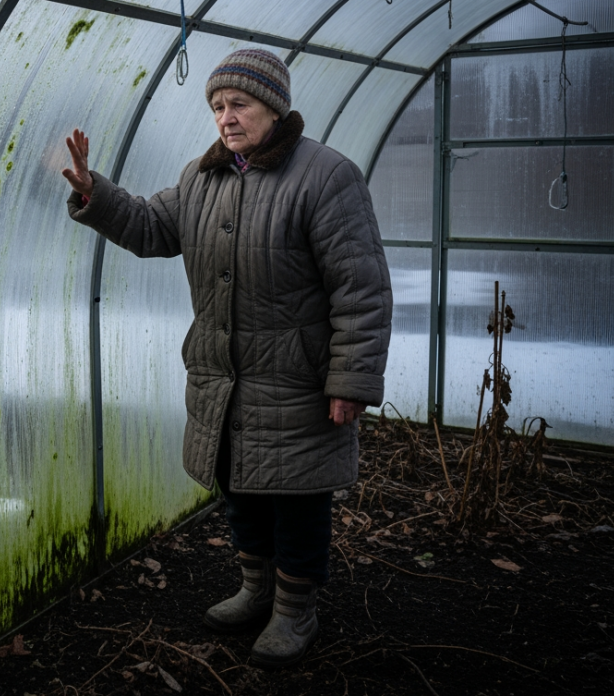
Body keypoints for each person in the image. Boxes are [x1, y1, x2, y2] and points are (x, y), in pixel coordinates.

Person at [62, 48, 391, 668]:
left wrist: (351, 378)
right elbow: (148, 227)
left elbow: (361, 286)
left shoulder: (326, 177)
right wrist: (93, 194)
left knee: (297, 499)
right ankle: (254, 589)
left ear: (273, 107)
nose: (226, 117)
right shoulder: (202, 177)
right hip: (224, 377)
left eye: (238, 103)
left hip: (297, 378)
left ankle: (295, 611)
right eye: (217, 106)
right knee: (241, 489)